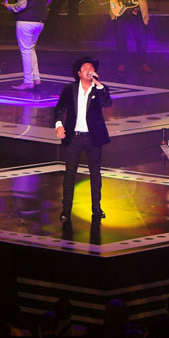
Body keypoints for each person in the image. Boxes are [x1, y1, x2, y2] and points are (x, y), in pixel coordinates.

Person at [52, 57, 112, 227]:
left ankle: (96, 209)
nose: (89, 69)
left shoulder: (99, 89)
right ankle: (66, 210)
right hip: (74, 137)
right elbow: (59, 109)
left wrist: (98, 84)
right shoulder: (69, 89)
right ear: (79, 73)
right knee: (70, 174)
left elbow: (107, 102)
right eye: (85, 67)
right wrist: (58, 125)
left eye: (91, 67)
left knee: (95, 174)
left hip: (93, 138)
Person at [100, 0, 159, 74]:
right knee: (121, 39)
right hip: (121, 11)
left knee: (141, 39)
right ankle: (121, 63)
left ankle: (143, 63)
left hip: (137, 12)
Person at [4, 0, 53, 90]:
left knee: (25, 51)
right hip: (39, 21)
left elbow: (22, 5)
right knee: (31, 49)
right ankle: (36, 78)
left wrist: (9, 6)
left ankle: (28, 81)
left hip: (26, 21)